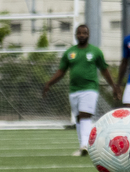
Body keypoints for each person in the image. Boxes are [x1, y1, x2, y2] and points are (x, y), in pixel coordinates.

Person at [42, 24, 119, 156]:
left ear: (88, 35)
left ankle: (86, 145)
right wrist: (49, 83)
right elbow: (61, 71)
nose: (81, 35)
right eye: (79, 33)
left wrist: (114, 86)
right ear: (76, 35)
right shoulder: (70, 52)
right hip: (74, 90)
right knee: (78, 118)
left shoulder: (95, 51)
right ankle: (82, 146)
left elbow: (104, 70)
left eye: (84, 33)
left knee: (85, 115)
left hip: (90, 88)